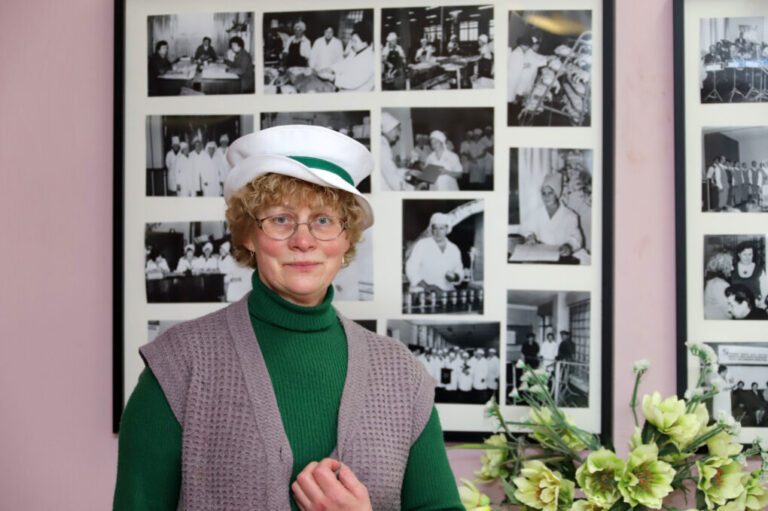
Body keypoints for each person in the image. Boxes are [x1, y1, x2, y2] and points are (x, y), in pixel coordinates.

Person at [113, 124, 463, 510]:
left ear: (347, 238)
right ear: (248, 235)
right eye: (281, 219)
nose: (303, 240)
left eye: (324, 220)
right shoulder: (180, 366)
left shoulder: (402, 375)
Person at [521, 173, 583, 262]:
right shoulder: (537, 213)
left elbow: (576, 238)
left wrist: (568, 246)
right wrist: (529, 236)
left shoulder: (570, 216)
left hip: (562, 257)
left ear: (557, 194)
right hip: (541, 255)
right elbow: (526, 228)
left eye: (550, 193)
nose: (546, 197)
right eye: (544, 193)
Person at [405, 212, 464, 293]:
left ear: (447, 230)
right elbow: (411, 268)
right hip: (423, 292)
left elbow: (459, 270)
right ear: (431, 230)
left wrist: (455, 277)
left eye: (441, 228)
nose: (438, 232)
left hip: (445, 291)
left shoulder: (454, 249)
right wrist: (426, 286)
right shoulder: (422, 244)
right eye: (435, 228)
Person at [317, 22, 375, 92]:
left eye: (355, 41)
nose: (352, 44)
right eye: (351, 41)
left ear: (365, 43)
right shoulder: (355, 52)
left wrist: (332, 78)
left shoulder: (370, 60)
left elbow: (353, 81)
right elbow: (344, 64)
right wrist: (331, 69)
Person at [507, 35, 547, 104]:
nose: (528, 47)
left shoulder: (520, 52)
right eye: (527, 46)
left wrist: (523, 65)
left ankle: (511, 103)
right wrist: (523, 65)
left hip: (515, 76)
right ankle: (510, 104)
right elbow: (513, 65)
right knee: (510, 93)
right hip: (512, 76)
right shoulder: (517, 53)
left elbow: (517, 63)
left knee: (512, 93)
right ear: (522, 45)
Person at [380, 111, 412, 191]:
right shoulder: (382, 147)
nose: (398, 134)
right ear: (390, 129)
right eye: (397, 130)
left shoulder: (383, 144)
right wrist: (409, 190)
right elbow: (392, 177)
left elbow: (392, 170)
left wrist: (406, 172)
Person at [730, 241, 766, 308]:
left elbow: (765, 290)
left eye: (750, 254)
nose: (747, 257)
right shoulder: (732, 269)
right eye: (744, 254)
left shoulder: (759, 270)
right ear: (739, 254)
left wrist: (761, 302)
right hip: (737, 306)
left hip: (756, 305)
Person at [703, 251, 734, 319]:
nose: (732, 268)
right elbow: (729, 311)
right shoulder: (720, 284)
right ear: (724, 267)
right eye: (731, 265)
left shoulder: (713, 281)